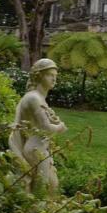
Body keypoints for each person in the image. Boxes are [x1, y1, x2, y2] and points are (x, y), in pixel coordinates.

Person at [9, 58, 67, 194]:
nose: (54, 79)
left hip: (39, 148)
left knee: (50, 185)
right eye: (49, 75)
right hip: (35, 151)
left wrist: (54, 120)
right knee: (44, 187)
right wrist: (60, 127)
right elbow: (45, 128)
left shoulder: (39, 98)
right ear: (39, 76)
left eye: (55, 76)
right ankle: (37, 212)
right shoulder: (34, 98)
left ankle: (40, 211)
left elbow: (39, 123)